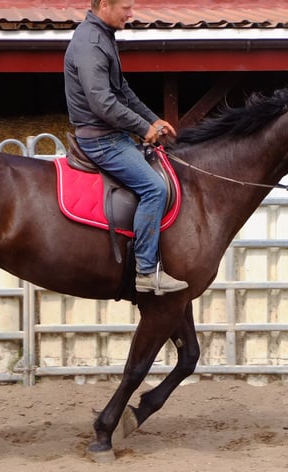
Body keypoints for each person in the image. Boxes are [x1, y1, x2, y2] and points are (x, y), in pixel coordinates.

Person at [64, 0, 188, 295]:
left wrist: (152, 118)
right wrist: (142, 128)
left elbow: (123, 91)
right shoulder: (91, 42)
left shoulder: (103, 36)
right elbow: (102, 102)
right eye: (126, 8)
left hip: (112, 134)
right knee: (154, 188)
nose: (131, 15)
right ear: (105, 5)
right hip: (101, 140)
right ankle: (145, 270)